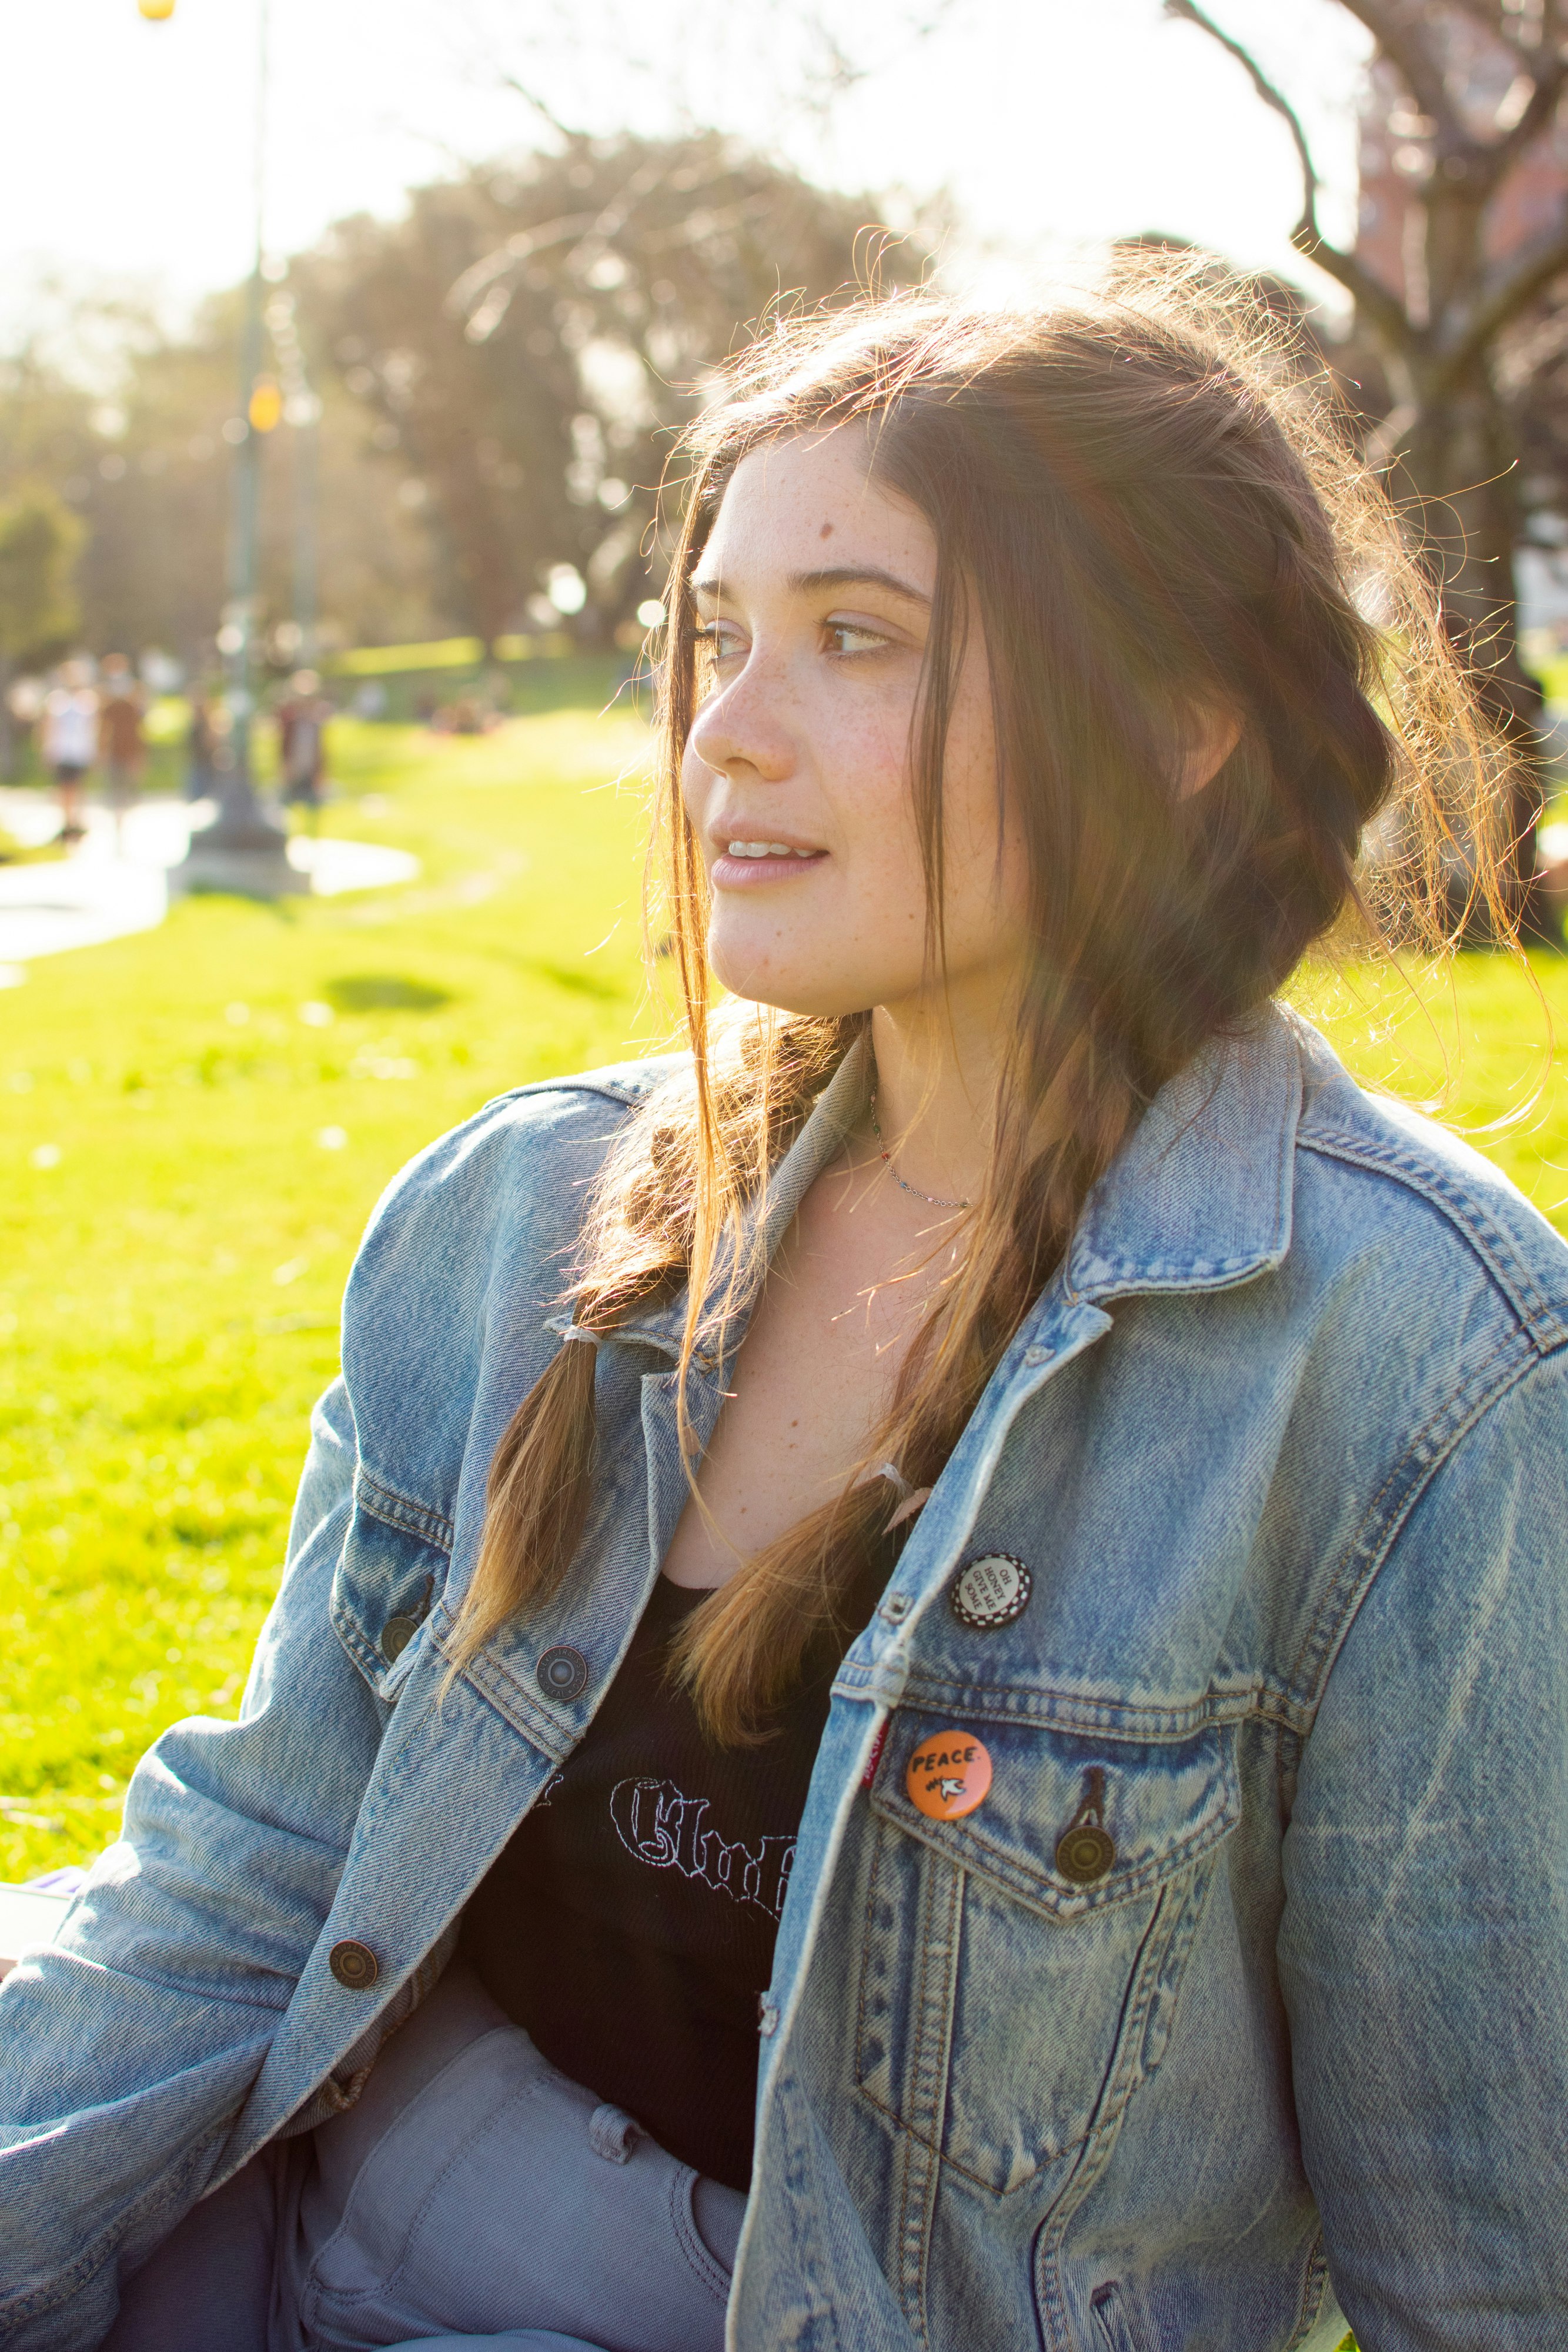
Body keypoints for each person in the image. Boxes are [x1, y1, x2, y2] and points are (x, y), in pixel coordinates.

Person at [4, 269, 1567, 2352]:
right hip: (281, 2236)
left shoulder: (1415, 1368)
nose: (722, 732)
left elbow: (1483, 2260)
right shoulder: (516, 1213)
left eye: (856, 638)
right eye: (717, 637)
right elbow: (253, 1876)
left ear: (1181, 722)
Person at [39, 659, 98, 847]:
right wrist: (46, 749)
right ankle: (67, 823)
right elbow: (48, 726)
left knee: (78, 788)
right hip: (62, 750)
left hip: (80, 750)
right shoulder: (57, 699)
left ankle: (77, 822)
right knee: (64, 789)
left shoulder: (88, 699)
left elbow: (94, 727)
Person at [96, 656, 146, 852]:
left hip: (130, 751)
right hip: (113, 752)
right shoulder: (105, 696)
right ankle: (119, 835)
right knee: (116, 795)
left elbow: (140, 726)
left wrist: (140, 755)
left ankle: (127, 833)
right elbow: (102, 727)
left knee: (129, 795)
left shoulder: (134, 694)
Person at [276, 669, 332, 829]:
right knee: (288, 808)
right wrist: (284, 767)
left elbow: (322, 749)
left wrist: (321, 773)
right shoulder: (290, 721)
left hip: (310, 770)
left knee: (313, 809)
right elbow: (283, 745)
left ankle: (311, 839)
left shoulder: (316, 722)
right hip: (294, 769)